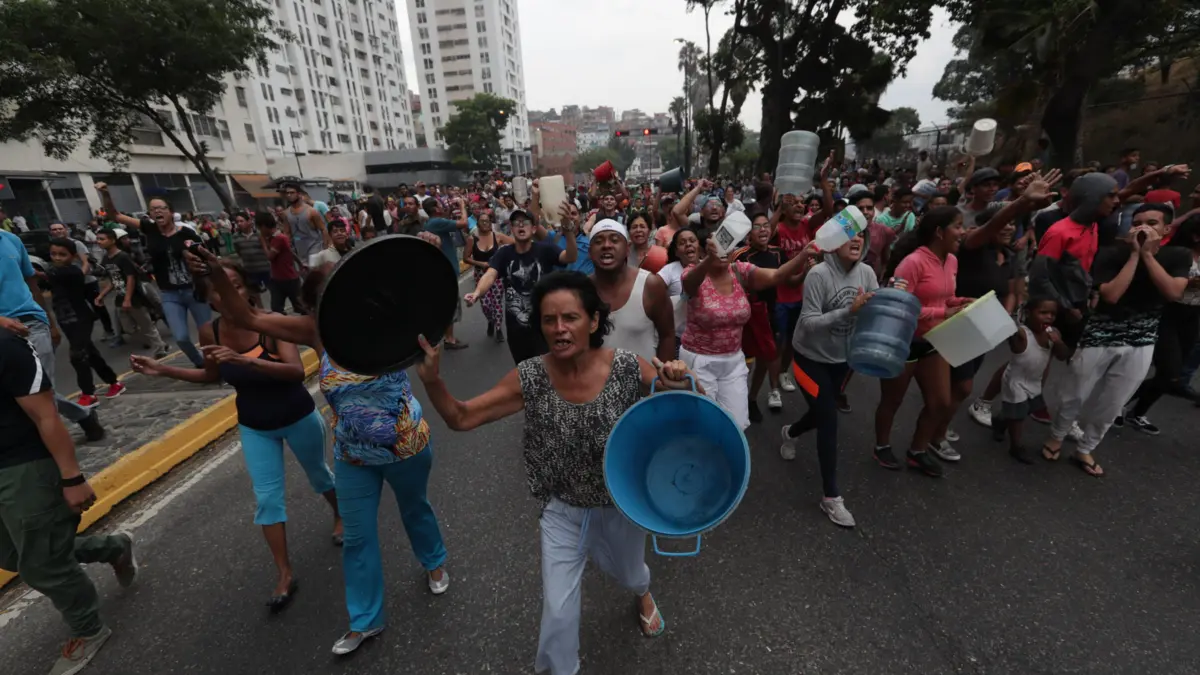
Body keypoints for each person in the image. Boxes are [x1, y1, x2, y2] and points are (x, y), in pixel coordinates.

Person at [414, 271, 697, 675]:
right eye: (549, 320)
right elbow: (461, 418)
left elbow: (690, 407)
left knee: (632, 574)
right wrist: (432, 381)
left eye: (570, 318)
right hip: (561, 511)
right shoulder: (530, 376)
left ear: (593, 321)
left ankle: (642, 593)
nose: (559, 328)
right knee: (558, 613)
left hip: (621, 505)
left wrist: (679, 379)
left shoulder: (626, 367)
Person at [183, 242, 450, 655]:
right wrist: (216, 270)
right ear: (315, 304)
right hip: (353, 456)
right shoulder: (315, 331)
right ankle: (365, 621)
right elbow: (248, 316)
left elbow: (425, 293)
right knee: (357, 539)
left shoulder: (389, 318)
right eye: (330, 293)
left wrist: (424, 256)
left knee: (415, 510)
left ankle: (433, 561)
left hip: (405, 446)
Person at [130, 260, 340, 610]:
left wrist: (246, 361)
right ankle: (284, 573)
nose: (230, 293)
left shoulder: (272, 323)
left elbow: (294, 371)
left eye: (236, 285)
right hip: (255, 425)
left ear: (247, 289)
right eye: (218, 288)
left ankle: (340, 515)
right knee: (267, 499)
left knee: (319, 474)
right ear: (209, 299)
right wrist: (163, 370)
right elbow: (211, 375)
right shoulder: (209, 332)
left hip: (297, 415)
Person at [0, 328, 138, 674]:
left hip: (22, 465)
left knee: (42, 563)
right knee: (14, 556)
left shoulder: (6, 346)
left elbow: (46, 414)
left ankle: (89, 629)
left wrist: (71, 476)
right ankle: (113, 547)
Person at [780, 228, 877, 527]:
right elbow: (808, 323)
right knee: (829, 419)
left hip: (841, 361)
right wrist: (849, 311)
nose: (856, 240)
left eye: (861, 235)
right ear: (834, 242)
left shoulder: (867, 273)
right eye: (849, 235)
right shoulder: (818, 275)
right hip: (808, 359)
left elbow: (874, 312)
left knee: (822, 412)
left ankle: (790, 432)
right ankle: (831, 497)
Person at [873, 207, 972, 477]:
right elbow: (898, 305)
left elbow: (943, 298)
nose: (963, 232)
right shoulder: (912, 263)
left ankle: (917, 451)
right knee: (892, 400)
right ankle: (881, 446)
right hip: (903, 341)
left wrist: (961, 302)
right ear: (939, 232)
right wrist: (943, 313)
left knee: (940, 401)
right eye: (957, 226)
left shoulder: (952, 260)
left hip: (933, 341)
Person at [681, 235, 817, 429]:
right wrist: (710, 260)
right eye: (717, 247)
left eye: (727, 246)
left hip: (733, 360)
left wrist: (803, 255)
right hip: (700, 360)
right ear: (706, 251)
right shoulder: (693, 273)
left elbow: (777, 276)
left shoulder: (740, 270)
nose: (722, 251)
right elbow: (689, 283)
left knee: (737, 423)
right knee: (705, 423)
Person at [98, 185, 211, 367]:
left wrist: (207, 281)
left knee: (208, 335)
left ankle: (217, 364)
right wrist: (105, 194)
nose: (157, 211)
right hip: (169, 294)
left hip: (194, 290)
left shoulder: (186, 233)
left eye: (161, 208)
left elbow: (205, 259)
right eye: (153, 209)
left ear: (171, 212)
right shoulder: (149, 229)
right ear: (150, 214)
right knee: (181, 338)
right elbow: (115, 216)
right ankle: (200, 363)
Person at [467, 207, 578, 364]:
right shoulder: (504, 253)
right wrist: (477, 293)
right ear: (511, 229)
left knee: (547, 369)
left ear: (533, 228)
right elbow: (490, 274)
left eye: (525, 222)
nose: (520, 225)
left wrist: (568, 230)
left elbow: (570, 257)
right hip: (516, 330)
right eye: (516, 223)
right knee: (523, 371)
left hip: (544, 326)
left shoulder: (546, 249)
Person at [44, 239, 128, 408]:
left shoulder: (71, 272)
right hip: (66, 320)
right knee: (90, 353)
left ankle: (88, 393)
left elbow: (49, 275)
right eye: (53, 254)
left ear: (73, 256)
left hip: (80, 319)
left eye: (62, 254)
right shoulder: (56, 271)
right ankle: (114, 382)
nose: (57, 258)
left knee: (78, 356)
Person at [588, 220, 675, 363]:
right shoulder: (582, 289)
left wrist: (662, 374)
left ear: (627, 249)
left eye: (614, 240)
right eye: (598, 241)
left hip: (644, 377)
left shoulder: (650, 285)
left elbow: (667, 335)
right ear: (590, 252)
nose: (606, 245)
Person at [731, 210, 790, 421]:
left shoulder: (778, 253)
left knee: (765, 357)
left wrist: (807, 269)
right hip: (745, 316)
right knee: (743, 363)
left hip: (771, 312)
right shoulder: (740, 255)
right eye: (757, 226)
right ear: (749, 234)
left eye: (766, 225)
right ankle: (735, 400)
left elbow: (788, 279)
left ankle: (752, 398)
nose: (763, 229)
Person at [997, 297, 1069, 464]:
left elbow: (1063, 355)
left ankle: (1001, 420)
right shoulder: (1023, 334)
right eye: (1043, 313)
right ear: (1029, 314)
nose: (1048, 317)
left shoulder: (1054, 333)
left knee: (1027, 409)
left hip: (1034, 381)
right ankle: (1015, 446)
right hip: (1015, 381)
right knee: (1018, 416)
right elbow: (1013, 339)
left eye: (1052, 314)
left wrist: (1058, 342)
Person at [95, 229, 169, 359]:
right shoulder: (106, 259)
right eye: (98, 239)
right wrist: (102, 295)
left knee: (146, 324)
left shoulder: (123, 257)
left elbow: (131, 278)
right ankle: (160, 344)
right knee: (128, 327)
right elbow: (114, 280)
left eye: (102, 239)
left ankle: (160, 349)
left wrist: (128, 299)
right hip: (120, 296)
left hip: (134, 297)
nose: (99, 242)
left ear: (112, 240)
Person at [49, 221, 117, 344]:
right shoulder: (53, 246)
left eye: (60, 228)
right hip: (70, 286)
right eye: (54, 229)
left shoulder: (76, 243)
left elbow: (86, 262)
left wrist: (79, 277)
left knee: (98, 305)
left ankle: (109, 330)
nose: (57, 231)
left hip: (87, 282)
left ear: (66, 229)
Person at [423, 196, 471, 350]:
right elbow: (464, 223)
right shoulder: (436, 223)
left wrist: (449, 209)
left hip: (444, 270)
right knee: (451, 305)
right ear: (435, 209)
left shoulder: (433, 222)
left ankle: (448, 337)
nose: (443, 205)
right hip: (446, 272)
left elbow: (446, 219)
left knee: (448, 304)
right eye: (440, 204)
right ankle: (449, 339)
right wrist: (462, 205)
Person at [463, 211, 513, 343]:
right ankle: (490, 321)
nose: (485, 223)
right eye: (482, 221)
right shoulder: (472, 239)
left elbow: (516, 244)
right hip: (480, 275)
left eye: (488, 221)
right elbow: (466, 258)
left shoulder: (498, 236)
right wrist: (481, 264)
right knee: (485, 305)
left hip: (496, 275)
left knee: (497, 303)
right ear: (477, 224)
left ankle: (498, 328)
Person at [656, 228, 701, 351]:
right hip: (678, 337)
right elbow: (652, 292)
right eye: (682, 243)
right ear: (676, 252)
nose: (688, 244)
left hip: (706, 336)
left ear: (699, 246)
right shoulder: (669, 270)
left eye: (692, 240)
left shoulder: (709, 267)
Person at [256, 213, 305, 315]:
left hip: (289, 279)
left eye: (260, 228)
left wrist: (263, 243)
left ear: (264, 226)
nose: (260, 231)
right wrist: (300, 263)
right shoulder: (273, 238)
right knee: (277, 308)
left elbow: (270, 256)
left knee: (300, 306)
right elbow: (290, 252)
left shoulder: (279, 238)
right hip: (277, 279)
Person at [280, 183, 332, 272]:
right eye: (287, 193)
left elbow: (323, 229)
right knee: (304, 275)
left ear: (299, 194)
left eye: (292, 192)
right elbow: (287, 233)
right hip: (299, 250)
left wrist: (326, 247)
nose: (289, 195)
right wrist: (287, 248)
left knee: (315, 273)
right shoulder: (286, 213)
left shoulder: (311, 211)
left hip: (315, 248)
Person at [231, 212, 271, 291]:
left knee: (272, 290)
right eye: (237, 222)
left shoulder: (259, 234)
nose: (239, 224)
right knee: (254, 292)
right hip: (249, 270)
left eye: (241, 221)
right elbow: (238, 251)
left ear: (249, 221)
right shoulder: (236, 237)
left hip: (265, 268)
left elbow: (267, 248)